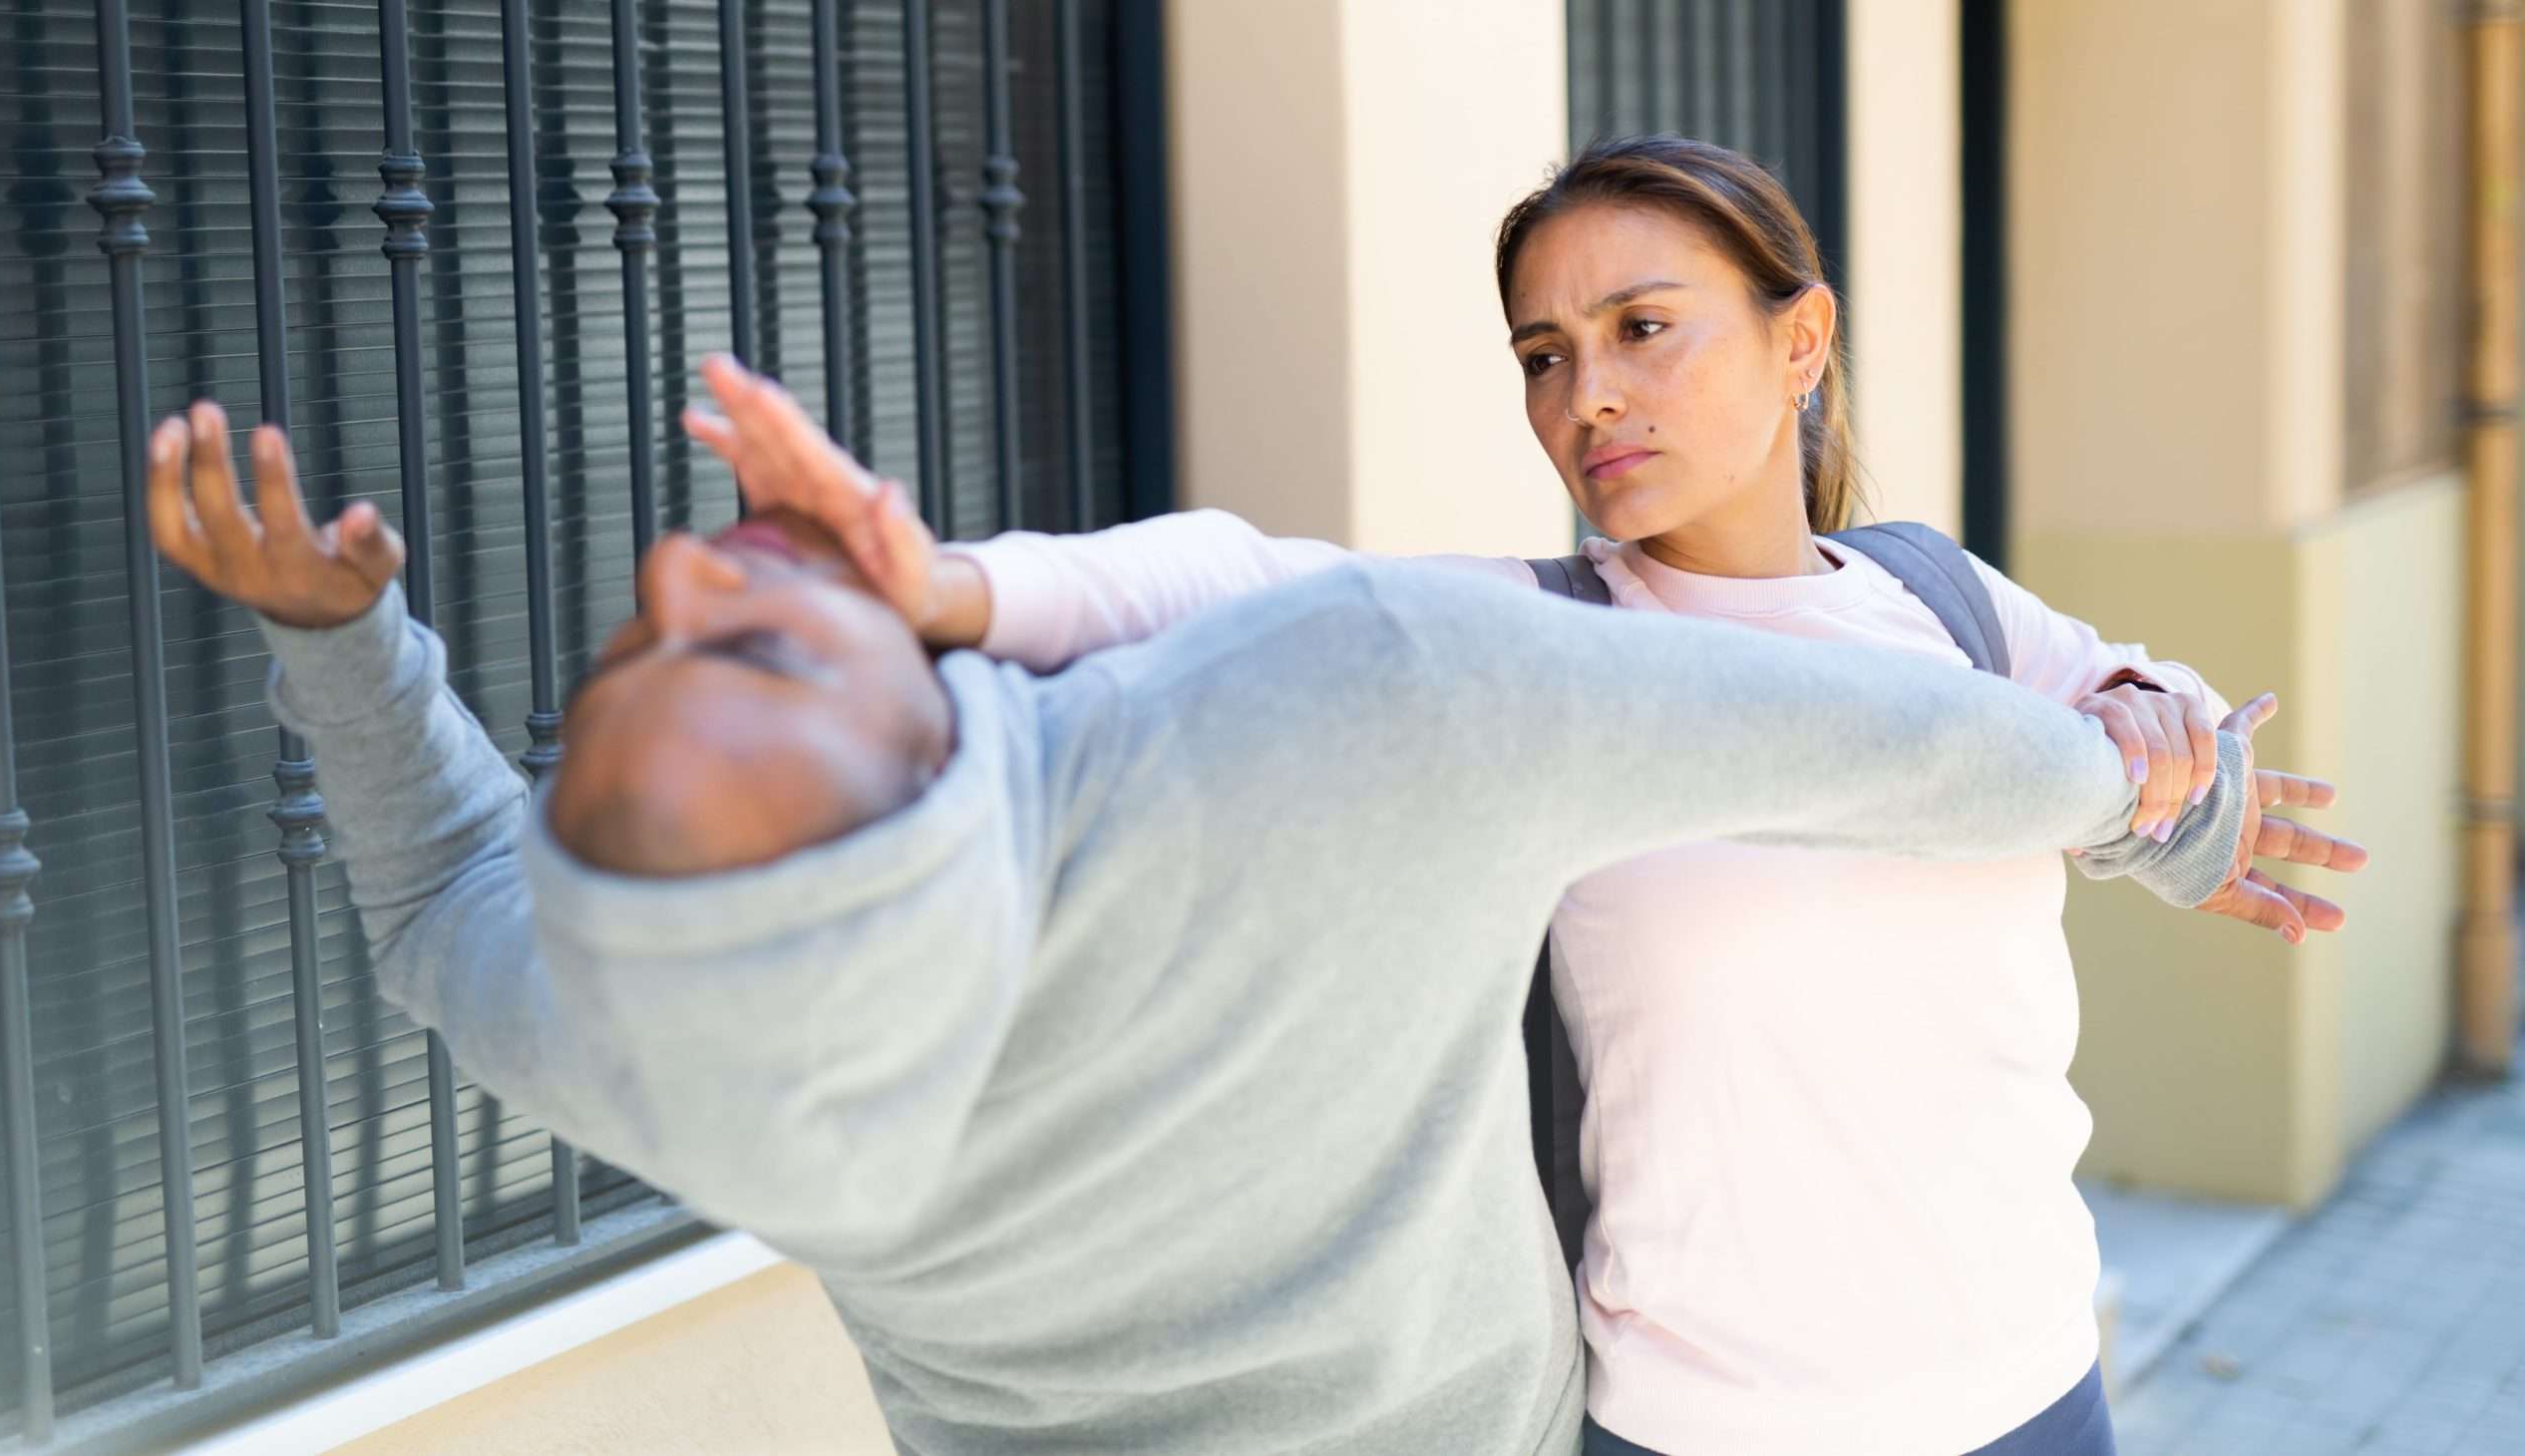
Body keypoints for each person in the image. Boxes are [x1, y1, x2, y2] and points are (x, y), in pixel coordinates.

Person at [145, 378, 2278, 1456]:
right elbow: (1861, 735)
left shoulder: (642, 1033)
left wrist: (349, 645)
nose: (690, 576)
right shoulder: (1338, 715)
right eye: (755, 658)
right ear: (924, 801)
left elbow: (445, 899)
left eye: (617, 656)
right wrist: (2130, 786)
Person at [691, 135, 2368, 1456]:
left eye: (1644, 330)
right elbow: (1245, 580)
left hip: (2028, 1390)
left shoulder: (1941, 599)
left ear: (1803, 342)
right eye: (1545, 355)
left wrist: (2160, 738)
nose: (1589, 399)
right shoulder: (1539, 654)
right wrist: (945, 587)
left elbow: (2157, 733)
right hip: (1705, 1427)